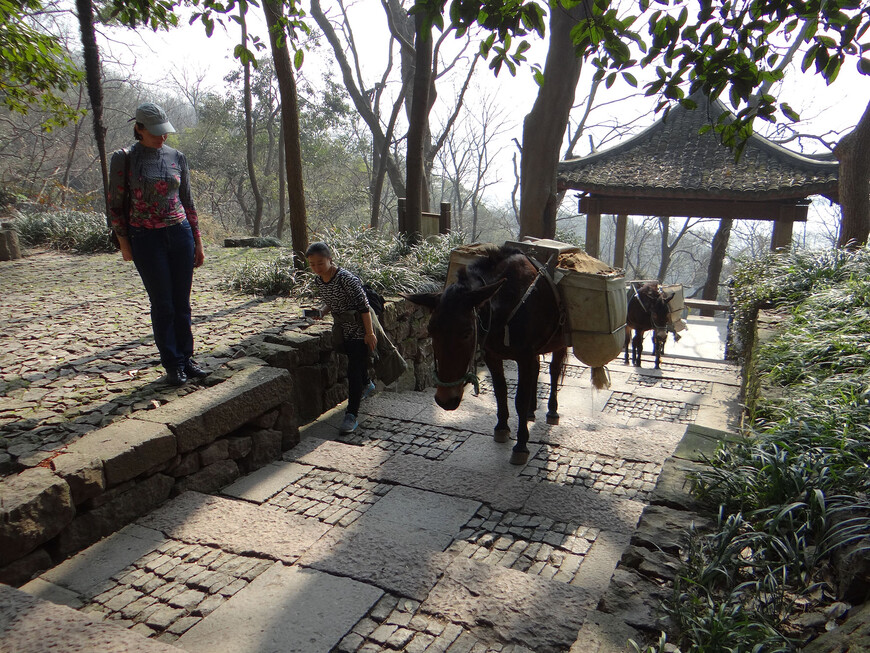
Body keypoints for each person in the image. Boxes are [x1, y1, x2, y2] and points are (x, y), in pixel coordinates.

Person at [107, 102, 207, 386]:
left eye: (164, 132)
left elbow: (187, 200)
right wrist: (124, 242)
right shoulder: (124, 158)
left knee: (182, 302)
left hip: (180, 234)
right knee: (163, 303)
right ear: (139, 128)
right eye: (155, 133)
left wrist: (198, 241)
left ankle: (187, 358)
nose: (162, 137)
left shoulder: (177, 156)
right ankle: (173, 364)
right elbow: (115, 204)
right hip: (146, 238)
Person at [305, 242, 377, 434]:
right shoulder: (320, 280)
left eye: (320, 263)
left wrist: (369, 334)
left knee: (352, 371)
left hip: (359, 328)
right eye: (312, 264)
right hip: (342, 328)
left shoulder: (346, 279)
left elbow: (364, 307)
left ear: (330, 259)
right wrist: (321, 312)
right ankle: (367, 383)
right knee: (354, 361)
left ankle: (351, 414)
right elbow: (330, 301)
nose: (316, 268)